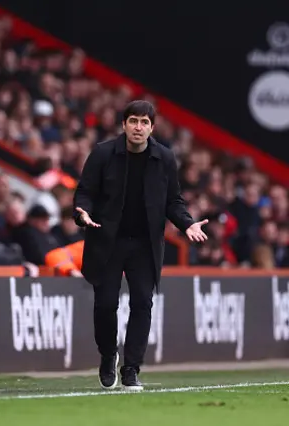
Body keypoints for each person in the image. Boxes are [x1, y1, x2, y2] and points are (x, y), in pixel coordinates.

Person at [72, 100, 208, 392]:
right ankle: (109, 354)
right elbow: (85, 192)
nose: (138, 127)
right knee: (106, 304)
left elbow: (173, 201)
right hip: (107, 241)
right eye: (133, 121)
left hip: (145, 245)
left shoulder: (165, 158)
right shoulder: (103, 154)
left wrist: (187, 223)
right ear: (123, 125)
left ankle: (131, 369)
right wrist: (82, 213)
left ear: (152, 128)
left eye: (144, 122)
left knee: (143, 303)